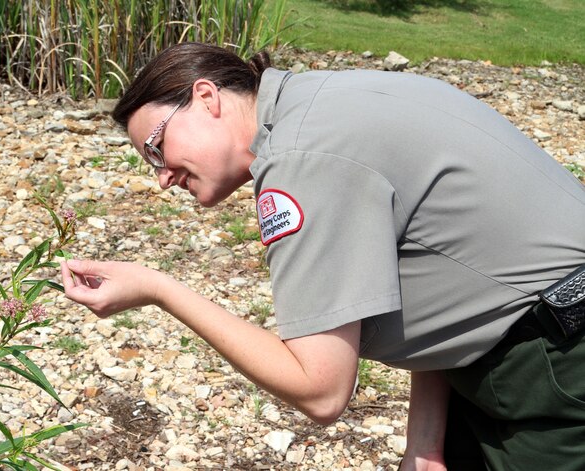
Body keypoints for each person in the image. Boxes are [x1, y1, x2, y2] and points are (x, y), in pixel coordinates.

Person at [60, 42, 585, 470]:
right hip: (530, 342)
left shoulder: (301, 157)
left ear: (206, 97)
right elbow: (448, 275)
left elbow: (321, 391)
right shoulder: (328, 99)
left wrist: (159, 287)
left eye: (156, 147)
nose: (162, 176)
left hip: (556, 372)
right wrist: (424, 443)